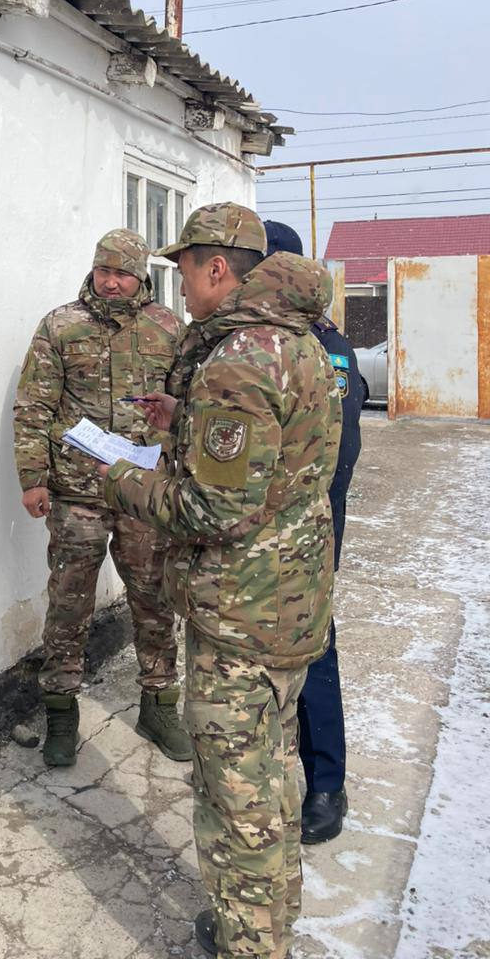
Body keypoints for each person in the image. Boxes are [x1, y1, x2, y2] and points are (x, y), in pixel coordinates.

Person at [100, 203, 341, 959]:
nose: (179, 287)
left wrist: (119, 477)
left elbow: (212, 508)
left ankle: (250, 944)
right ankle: (271, 921)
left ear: (215, 268)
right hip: (290, 604)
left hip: (240, 615)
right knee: (273, 779)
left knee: (236, 798)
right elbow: (278, 456)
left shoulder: (238, 358)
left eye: (183, 271)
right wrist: (188, 417)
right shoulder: (297, 342)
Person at [13, 228, 189, 768]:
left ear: (142, 276)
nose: (111, 282)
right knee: (69, 603)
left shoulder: (169, 329)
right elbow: (34, 406)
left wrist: (179, 471)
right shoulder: (61, 325)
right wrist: (32, 477)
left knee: (154, 599)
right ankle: (61, 712)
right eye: (104, 271)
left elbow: (187, 406)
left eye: (123, 274)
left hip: (144, 493)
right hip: (77, 491)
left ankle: (159, 704)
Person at [263, 221, 364, 844]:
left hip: (305, 538)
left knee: (314, 653)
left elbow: (339, 455)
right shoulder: (253, 341)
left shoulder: (323, 347)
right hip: (253, 548)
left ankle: (327, 783)